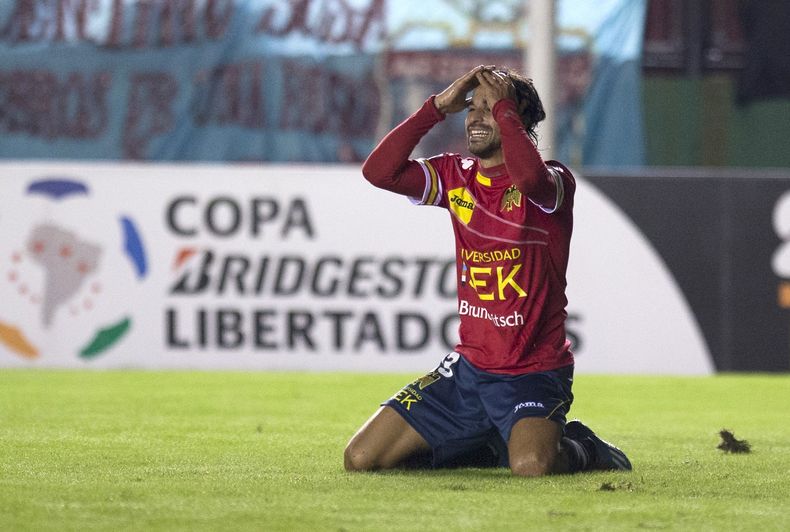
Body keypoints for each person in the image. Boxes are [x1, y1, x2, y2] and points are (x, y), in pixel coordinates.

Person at [345, 65, 631, 476]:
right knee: (360, 458)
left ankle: (586, 447)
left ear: (517, 119)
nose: (478, 116)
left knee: (531, 466)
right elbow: (379, 172)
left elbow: (531, 179)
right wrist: (436, 108)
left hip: (533, 372)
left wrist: (505, 110)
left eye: (490, 107)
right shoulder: (454, 177)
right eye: (472, 108)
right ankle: (487, 440)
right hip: (469, 370)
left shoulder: (553, 182)